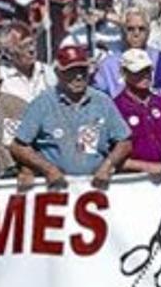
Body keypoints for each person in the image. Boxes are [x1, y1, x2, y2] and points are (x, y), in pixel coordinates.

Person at [10, 45, 132, 188]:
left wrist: (108, 165)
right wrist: (48, 169)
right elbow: (19, 146)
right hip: (55, 189)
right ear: (58, 72)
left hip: (96, 187)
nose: (78, 76)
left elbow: (124, 142)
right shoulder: (43, 103)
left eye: (82, 70)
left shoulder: (103, 102)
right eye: (71, 71)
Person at [94, 7, 161, 106]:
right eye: (130, 29)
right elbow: (98, 100)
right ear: (122, 31)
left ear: (148, 32)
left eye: (141, 29)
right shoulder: (108, 65)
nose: (136, 33)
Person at [113, 49, 161, 179]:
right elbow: (111, 159)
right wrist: (147, 167)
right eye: (138, 71)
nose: (145, 75)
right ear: (124, 73)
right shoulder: (116, 108)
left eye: (148, 70)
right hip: (135, 181)